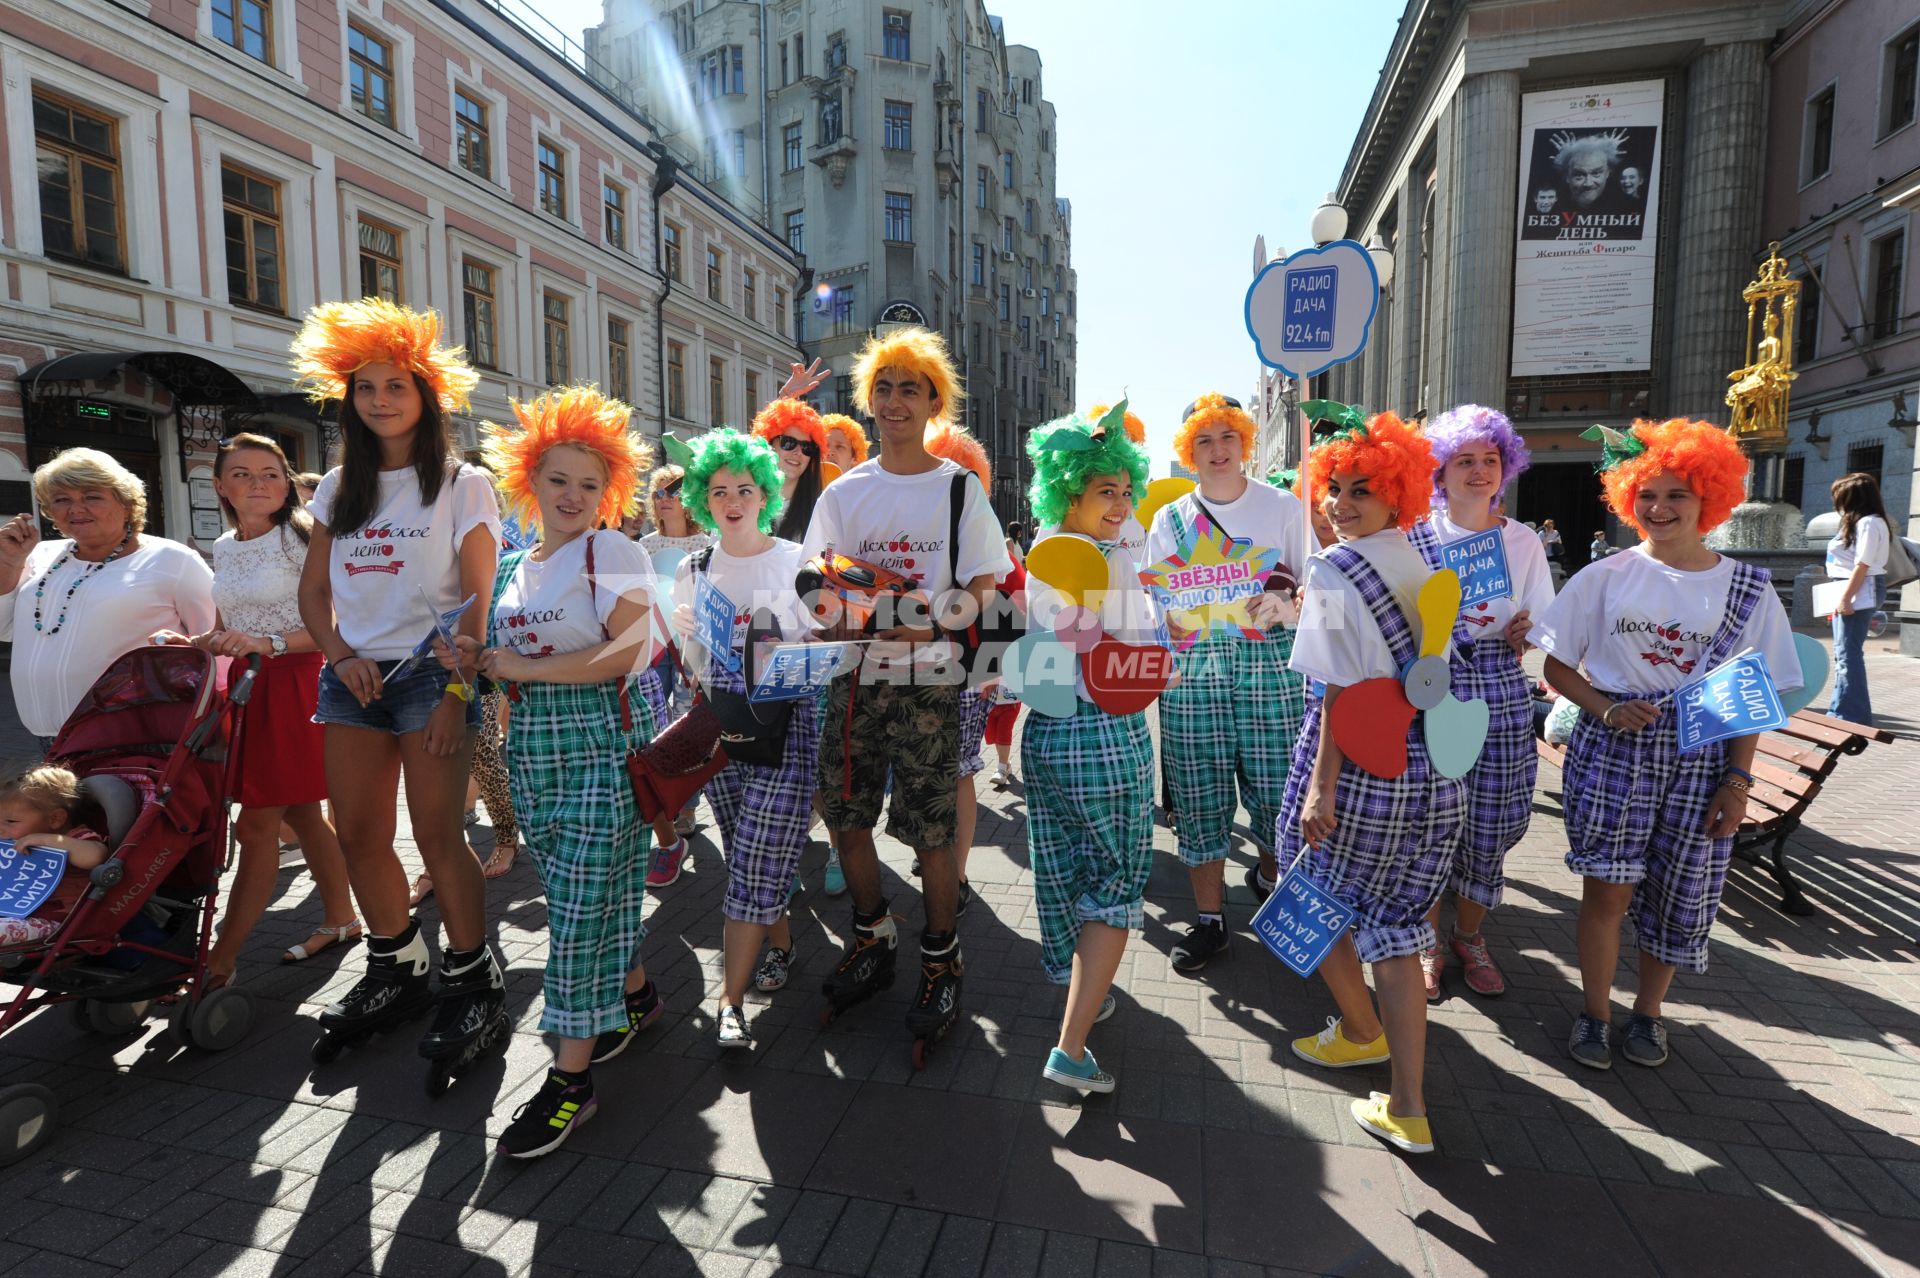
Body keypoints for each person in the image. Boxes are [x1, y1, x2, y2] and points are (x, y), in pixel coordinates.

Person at [1534, 419, 1800, 1072]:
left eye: (1677, 495)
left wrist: (1737, 783)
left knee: (1682, 897)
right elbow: (1557, 666)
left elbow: (1749, 694)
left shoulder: (1748, 589)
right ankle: (1595, 1013)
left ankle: (1648, 1014)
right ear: (1628, 496)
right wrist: (1605, 707)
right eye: (1647, 494)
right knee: (1607, 894)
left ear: (1709, 498)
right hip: (1614, 754)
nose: (1659, 508)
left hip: (1703, 760)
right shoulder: (1603, 579)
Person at [445, 386, 664, 1157]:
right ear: (528, 479)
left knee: (573, 920)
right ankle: (635, 995)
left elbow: (629, 652)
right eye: (559, 479)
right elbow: (504, 667)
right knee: (594, 898)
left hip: (600, 748)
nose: (573, 496)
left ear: (611, 492)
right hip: (530, 753)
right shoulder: (509, 568)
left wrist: (522, 669)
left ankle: (569, 1085)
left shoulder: (614, 551)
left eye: (590, 484)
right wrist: (477, 662)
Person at [292, 298, 506, 1075]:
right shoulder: (338, 486)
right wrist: (341, 654)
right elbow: (314, 595)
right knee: (357, 834)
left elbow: (481, 601)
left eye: (397, 386)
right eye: (366, 388)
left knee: (440, 836)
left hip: (431, 676)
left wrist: (458, 694)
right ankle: (397, 964)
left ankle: (473, 973)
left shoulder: (461, 483)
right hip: (351, 680)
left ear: (427, 395)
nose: (380, 400)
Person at [800, 326, 1011, 1047]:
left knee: (930, 833)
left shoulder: (958, 490)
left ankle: (942, 957)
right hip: (853, 679)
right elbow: (815, 585)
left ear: (932, 403)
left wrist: (939, 622)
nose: (894, 402)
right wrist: (830, 617)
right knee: (846, 818)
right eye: (883, 388)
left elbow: (989, 584)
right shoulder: (845, 492)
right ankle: (873, 936)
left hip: (929, 683)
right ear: (868, 399)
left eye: (910, 389)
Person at [1279, 412, 1462, 1155]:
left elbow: (1336, 692)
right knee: (1395, 932)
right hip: (1428, 772)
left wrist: (1321, 788)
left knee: (1309, 899)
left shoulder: (1336, 568)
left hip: (1355, 765)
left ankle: (1360, 1033)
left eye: (1362, 489)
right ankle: (1408, 1105)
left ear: (1398, 494)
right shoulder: (1417, 558)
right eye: (1333, 489)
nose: (1341, 503)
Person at [1021, 410, 1163, 1094]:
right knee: (1114, 886)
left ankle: (1087, 992)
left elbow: (1024, 667)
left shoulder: (1040, 557)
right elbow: (1142, 659)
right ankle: (1070, 1050)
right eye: (1106, 490)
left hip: (1047, 736)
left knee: (1064, 871)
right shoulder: (1110, 563)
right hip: (1107, 735)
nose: (1122, 503)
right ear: (1069, 493)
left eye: (1125, 490)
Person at [1143, 393, 1309, 971]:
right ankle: (1210, 921)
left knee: (1275, 788)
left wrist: (1281, 604)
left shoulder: (1284, 506)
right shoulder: (1169, 519)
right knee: (1199, 794)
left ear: (1246, 441)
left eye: (1227, 437)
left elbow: (1309, 595)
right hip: (1194, 671)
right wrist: (1182, 613)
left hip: (1270, 666)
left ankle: (1271, 878)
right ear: (1189, 450)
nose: (1217, 450)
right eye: (1204, 440)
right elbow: (1158, 603)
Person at [668, 430, 820, 1048]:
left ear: (765, 494)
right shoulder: (693, 566)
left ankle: (730, 1004)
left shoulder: (796, 560)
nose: (732, 500)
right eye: (719, 490)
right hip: (720, 723)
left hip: (786, 723)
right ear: (704, 498)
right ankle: (779, 942)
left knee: (757, 853)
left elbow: (821, 647)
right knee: (744, 849)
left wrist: (786, 650)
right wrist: (688, 632)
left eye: (744, 489)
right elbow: (690, 661)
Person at [194, 434, 358, 981]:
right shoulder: (223, 544)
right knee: (302, 812)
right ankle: (341, 917)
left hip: (297, 684)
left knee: (257, 825)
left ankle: (222, 956)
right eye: (241, 474)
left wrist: (270, 644)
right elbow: (231, 622)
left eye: (270, 473)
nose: (257, 483)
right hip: (248, 688)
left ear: (288, 483)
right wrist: (195, 640)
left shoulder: (301, 537)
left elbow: (336, 625)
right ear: (219, 485)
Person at [1411, 407, 1554, 1000]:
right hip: (1431, 681)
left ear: (1506, 468)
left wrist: (1527, 629)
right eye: (1463, 461)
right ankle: (1424, 939)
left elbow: (1545, 619)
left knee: (1494, 817)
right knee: (1425, 816)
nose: (1478, 472)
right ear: (1439, 473)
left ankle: (1470, 936)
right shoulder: (1414, 535)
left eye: (1489, 460)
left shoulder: (1521, 541)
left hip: (1498, 678)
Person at [0, 450, 216, 742]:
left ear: (126, 504)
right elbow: (5, 629)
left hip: (132, 736)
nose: (76, 508)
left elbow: (215, 640)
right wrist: (10, 564)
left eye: (92, 496)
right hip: (42, 737)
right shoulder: (37, 555)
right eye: (62, 499)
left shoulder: (172, 560)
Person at [924, 421, 995, 913]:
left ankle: (960, 871)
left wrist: (992, 667)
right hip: (907, 665)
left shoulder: (977, 524)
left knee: (961, 772)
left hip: (965, 667)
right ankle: (938, 861)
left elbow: (998, 598)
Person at [635, 462, 715, 870]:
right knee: (652, 725)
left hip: (690, 648)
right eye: (658, 493)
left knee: (686, 725)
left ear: (688, 502)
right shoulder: (642, 547)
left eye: (671, 492)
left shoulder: (710, 543)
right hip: (652, 648)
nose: (663, 499)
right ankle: (664, 803)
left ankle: (686, 806)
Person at [0, 761, 110, 947]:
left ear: (55, 819)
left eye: (10, 821)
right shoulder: (9, 842)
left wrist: (45, 841)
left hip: (52, 920)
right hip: (12, 911)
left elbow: (95, 857)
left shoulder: (75, 838)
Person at [1824, 472, 1890, 726]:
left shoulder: (1869, 523)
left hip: (1858, 589)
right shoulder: (1863, 522)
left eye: (1839, 495)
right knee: (1844, 653)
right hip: (1852, 588)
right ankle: (1841, 709)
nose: (1837, 501)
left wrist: (1846, 598)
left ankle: (1851, 714)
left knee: (1848, 653)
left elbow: (1863, 564)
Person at [982, 523, 1029, 791]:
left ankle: (1001, 765)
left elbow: (1021, 605)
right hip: (982, 652)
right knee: (990, 713)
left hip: (1008, 648)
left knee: (1006, 711)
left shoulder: (1008, 564)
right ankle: (1002, 763)